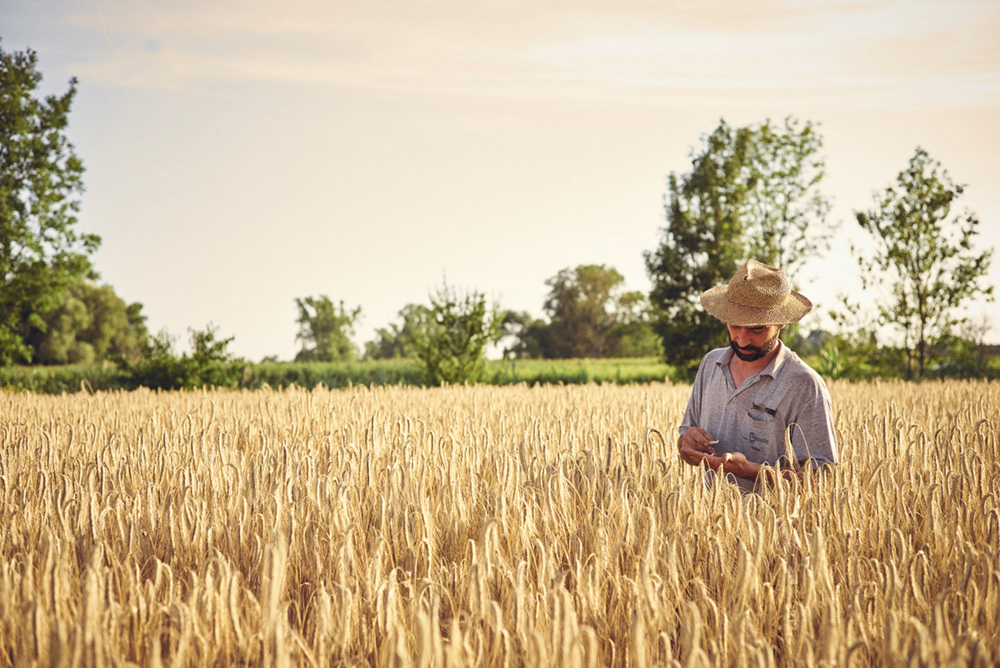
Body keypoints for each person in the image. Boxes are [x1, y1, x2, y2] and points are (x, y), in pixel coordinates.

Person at [677, 260, 838, 493]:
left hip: (775, 526)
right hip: (707, 523)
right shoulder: (710, 364)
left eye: (757, 329)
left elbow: (823, 477)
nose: (742, 340)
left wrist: (750, 471)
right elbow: (684, 439)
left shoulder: (804, 384)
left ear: (780, 322)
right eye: (734, 326)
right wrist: (687, 444)